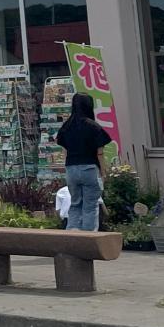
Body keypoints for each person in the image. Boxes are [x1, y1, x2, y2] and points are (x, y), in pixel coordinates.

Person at [56, 92, 111, 232]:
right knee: (90, 206)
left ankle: (72, 236)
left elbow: (64, 152)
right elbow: (100, 153)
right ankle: (89, 238)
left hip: (71, 170)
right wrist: (104, 172)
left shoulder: (66, 127)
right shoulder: (94, 127)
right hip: (89, 169)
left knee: (75, 204)